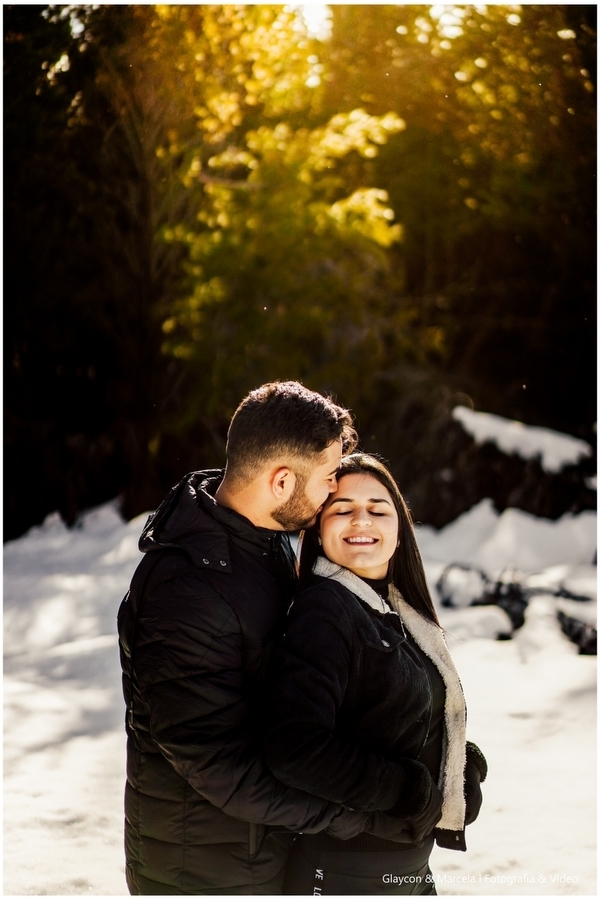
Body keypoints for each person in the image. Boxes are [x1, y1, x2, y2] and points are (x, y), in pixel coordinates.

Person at [117, 381, 365, 895]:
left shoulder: (262, 540)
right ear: (281, 482)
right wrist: (353, 810)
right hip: (199, 875)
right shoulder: (184, 590)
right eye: (327, 477)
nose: (333, 489)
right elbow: (216, 765)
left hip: (256, 855)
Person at [265, 452, 487, 895]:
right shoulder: (324, 611)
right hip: (344, 872)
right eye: (342, 510)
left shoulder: (396, 609)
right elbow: (294, 747)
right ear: (318, 529)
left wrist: (459, 765)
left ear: (400, 530)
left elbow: (388, 717)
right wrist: (406, 791)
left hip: (405, 871)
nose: (361, 520)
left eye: (378, 510)